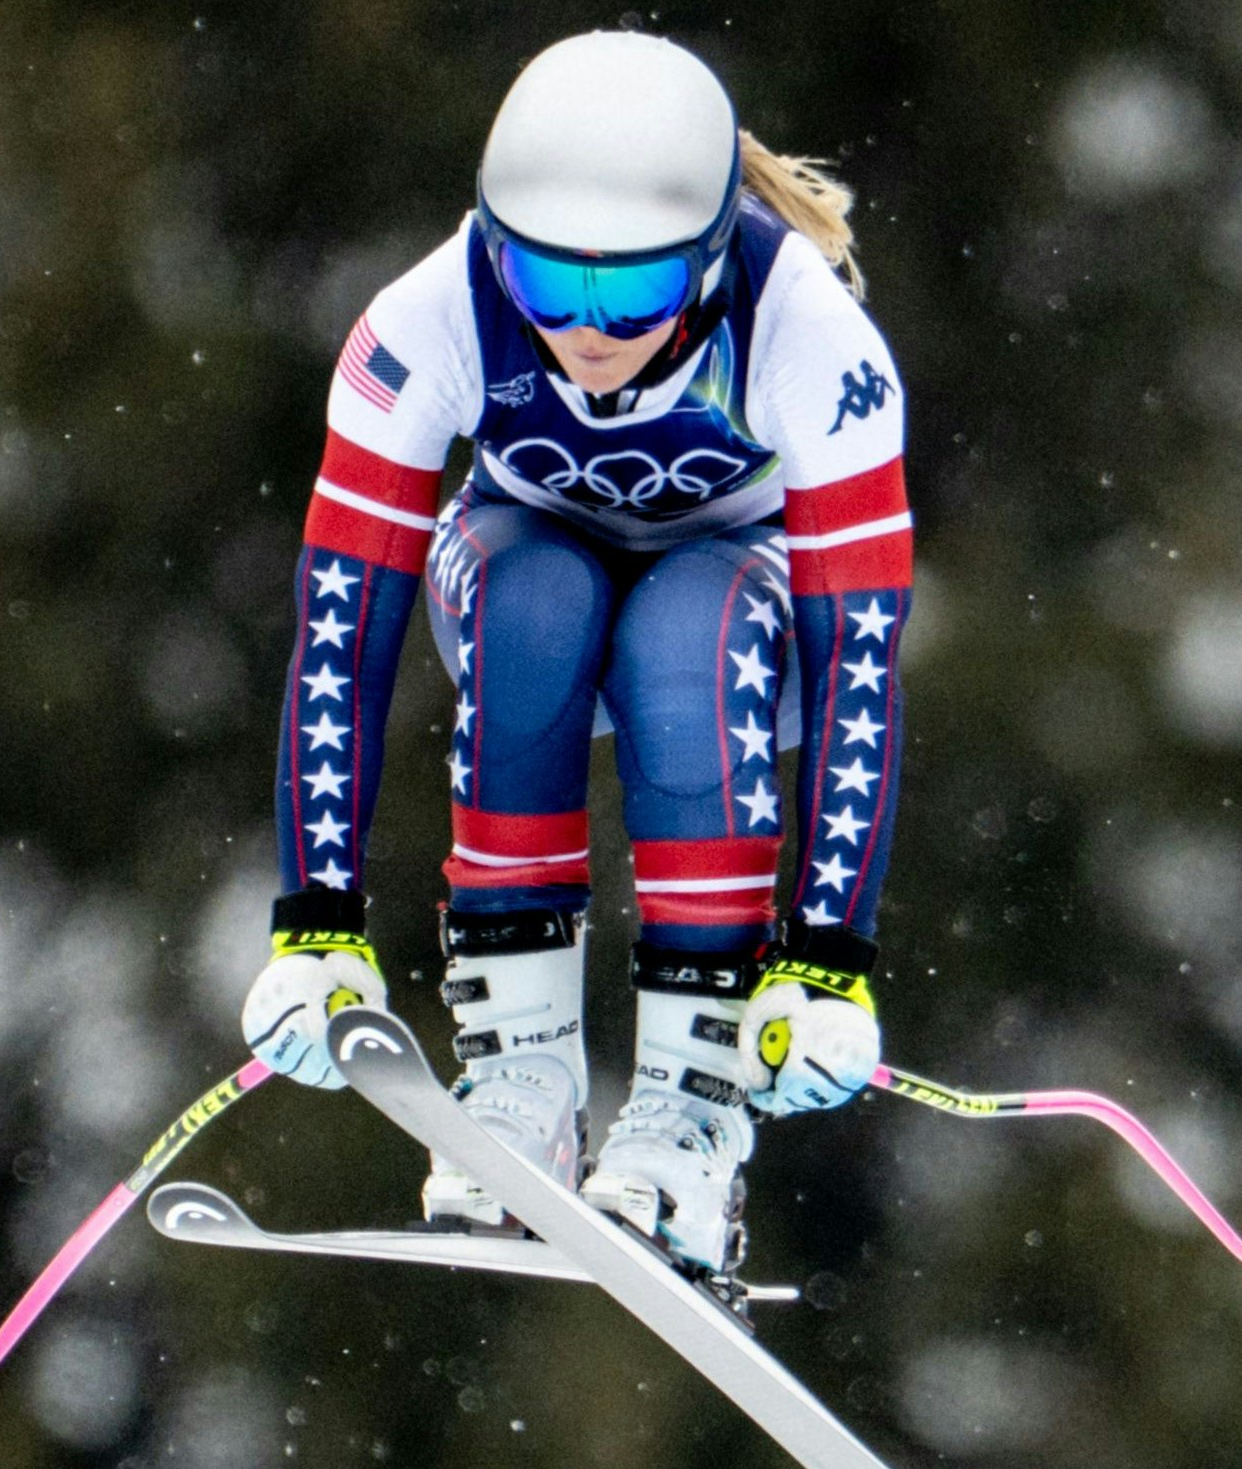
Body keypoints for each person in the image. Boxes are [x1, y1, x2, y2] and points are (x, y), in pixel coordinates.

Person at [234, 31, 911, 1277]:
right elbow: (344, 619)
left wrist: (828, 959)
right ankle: (522, 1077)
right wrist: (313, 924)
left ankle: (691, 1112)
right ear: (495, 246)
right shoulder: (425, 317)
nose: (586, 335)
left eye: (633, 297)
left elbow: (860, 650)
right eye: (548, 286)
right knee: (533, 596)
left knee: (682, 630)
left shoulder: (813, 339)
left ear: (709, 263)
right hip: (520, 575)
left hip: (750, 619)